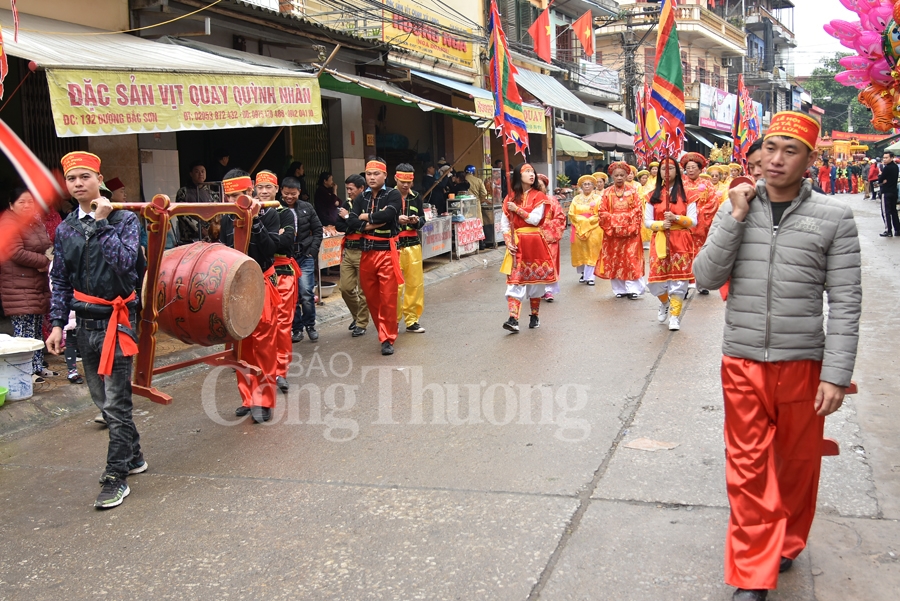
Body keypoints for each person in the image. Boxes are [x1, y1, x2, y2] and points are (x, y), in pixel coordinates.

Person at [694, 110, 861, 601]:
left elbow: (847, 301)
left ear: (810, 159)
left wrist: (837, 374)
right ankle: (751, 573)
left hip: (803, 364)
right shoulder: (735, 207)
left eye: (791, 150)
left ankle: (786, 540)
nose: (776, 159)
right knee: (747, 468)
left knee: (796, 464)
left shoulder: (835, 218)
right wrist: (735, 217)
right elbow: (705, 277)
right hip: (742, 360)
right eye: (770, 147)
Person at [46, 151, 145, 509]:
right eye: (72, 179)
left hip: (117, 322)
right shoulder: (65, 228)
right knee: (103, 402)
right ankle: (133, 456)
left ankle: (115, 477)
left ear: (99, 180)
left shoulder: (125, 221)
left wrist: (103, 223)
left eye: (84, 177)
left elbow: (125, 269)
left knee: (117, 403)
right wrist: (57, 324)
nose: (77, 184)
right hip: (82, 324)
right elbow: (59, 280)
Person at [219, 170, 284, 423]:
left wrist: (255, 221)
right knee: (240, 343)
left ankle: (264, 399)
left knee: (264, 344)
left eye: (242, 194)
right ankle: (247, 397)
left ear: (251, 192)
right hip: (235, 287)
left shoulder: (269, 215)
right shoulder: (226, 218)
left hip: (261, 282)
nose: (237, 200)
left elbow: (269, 249)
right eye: (232, 196)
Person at [345, 157, 402, 355]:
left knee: (387, 297)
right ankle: (382, 331)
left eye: (376, 174)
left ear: (385, 175)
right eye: (368, 174)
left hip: (386, 251)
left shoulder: (393, 194)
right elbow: (351, 220)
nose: (371, 177)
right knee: (371, 297)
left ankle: (387, 338)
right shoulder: (362, 197)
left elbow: (389, 216)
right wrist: (369, 223)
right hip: (366, 253)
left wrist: (365, 217)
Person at [499, 164, 564, 332]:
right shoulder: (510, 197)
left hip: (535, 241)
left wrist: (518, 210)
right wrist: (508, 242)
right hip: (518, 243)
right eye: (527, 172)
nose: (531, 174)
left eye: (532, 172)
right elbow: (505, 224)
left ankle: (534, 315)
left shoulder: (539, 196)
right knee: (515, 281)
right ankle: (513, 319)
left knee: (536, 282)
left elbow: (535, 220)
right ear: (518, 176)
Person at [0, 187, 54, 380]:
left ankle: (38, 367)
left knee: (36, 328)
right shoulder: (8, 222)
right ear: (11, 205)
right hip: (18, 285)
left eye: (30, 202)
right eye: (22, 202)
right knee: (24, 331)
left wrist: (49, 258)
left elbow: (46, 244)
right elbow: (15, 252)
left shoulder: (33, 222)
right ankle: (26, 372)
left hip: (35, 284)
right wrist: (44, 263)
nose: (27, 205)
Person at [254, 171, 298, 394]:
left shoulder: (286, 214)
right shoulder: (248, 211)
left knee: (281, 326)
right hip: (254, 275)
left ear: (276, 189)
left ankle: (280, 370)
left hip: (282, 274)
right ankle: (260, 370)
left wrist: (271, 240)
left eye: (268, 188)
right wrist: (273, 238)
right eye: (259, 187)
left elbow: (286, 241)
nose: (263, 192)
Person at [645, 157, 697, 331]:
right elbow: (647, 221)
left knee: (679, 281)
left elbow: (693, 221)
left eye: (671, 169)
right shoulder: (652, 195)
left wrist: (676, 219)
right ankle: (664, 302)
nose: (666, 173)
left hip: (680, 239)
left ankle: (675, 316)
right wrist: (659, 225)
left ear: (678, 171)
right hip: (660, 238)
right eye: (663, 169)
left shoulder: (688, 194)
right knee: (655, 282)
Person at [281, 177, 322, 344]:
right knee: (291, 296)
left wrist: (312, 251)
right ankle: (296, 329)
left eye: (293, 193)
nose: (289, 197)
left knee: (306, 293)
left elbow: (318, 229)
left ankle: (310, 326)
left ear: (299, 192)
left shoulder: (307, 207)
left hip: (305, 256)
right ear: (280, 191)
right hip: (285, 258)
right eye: (286, 193)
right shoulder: (276, 209)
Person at [597, 163, 645, 298]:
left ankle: (633, 289)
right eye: (616, 175)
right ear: (611, 176)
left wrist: (624, 221)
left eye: (622, 175)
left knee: (631, 259)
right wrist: (617, 222)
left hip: (630, 233)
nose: (619, 178)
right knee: (615, 259)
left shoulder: (633, 191)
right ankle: (619, 290)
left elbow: (638, 210)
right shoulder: (607, 192)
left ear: (626, 176)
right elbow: (602, 212)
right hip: (613, 233)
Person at [335, 174, 370, 337]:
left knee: (363, 291)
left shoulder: (369, 203)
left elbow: (364, 226)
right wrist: (354, 224)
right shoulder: (346, 204)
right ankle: (357, 317)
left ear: (361, 188)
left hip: (364, 250)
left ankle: (361, 323)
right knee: (345, 288)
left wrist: (349, 218)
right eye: (347, 189)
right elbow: (339, 225)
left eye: (351, 189)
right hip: (348, 250)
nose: (348, 192)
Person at [394, 164, 426, 333]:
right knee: (395, 286)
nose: (405, 185)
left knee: (415, 284)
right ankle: (393, 320)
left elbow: (422, 219)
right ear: (395, 179)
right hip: (394, 245)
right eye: (402, 181)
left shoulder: (416, 197)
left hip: (413, 244)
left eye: (408, 182)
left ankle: (412, 320)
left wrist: (416, 221)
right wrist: (396, 220)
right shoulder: (388, 196)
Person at [567, 175, 603, 286]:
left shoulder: (598, 198)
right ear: (581, 186)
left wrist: (588, 221)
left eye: (589, 184)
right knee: (580, 251)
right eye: (585, 184)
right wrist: (580, 220)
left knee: (592, 251)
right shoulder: (576, 199)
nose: (587, 186)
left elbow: (600, 213)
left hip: (593, 228)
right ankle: (583, 273)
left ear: (593, 186)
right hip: (578, 227)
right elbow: (571, 213)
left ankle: (591, 276)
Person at [175, 161, 214, 244]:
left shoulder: (211, 193)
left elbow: (217, 214)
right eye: (197, 171)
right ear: (191, 174)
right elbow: (182, 214)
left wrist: (211, 230)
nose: (200, 174)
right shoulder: (183, 192)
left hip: (209, 237)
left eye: (203, 171)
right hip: (189, 238)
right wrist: (199, 229)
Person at [878, 151, 899, 237]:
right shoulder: (896, 167)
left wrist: (881, 176)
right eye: (884, 158)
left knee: (886, 212)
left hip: (886, 192)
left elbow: (880, 179)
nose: (885, 159)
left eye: (886, 158)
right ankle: (897, 230)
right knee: (894, 211)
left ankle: (888, 230)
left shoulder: (887, 168)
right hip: (894, 191)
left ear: (891, 158)